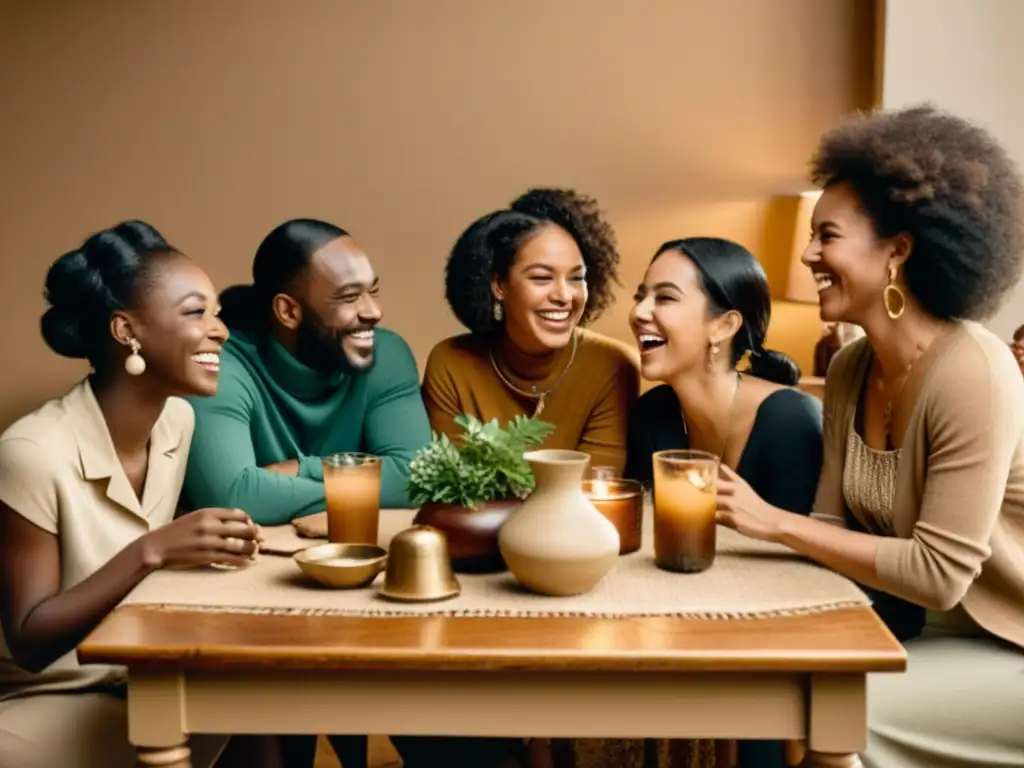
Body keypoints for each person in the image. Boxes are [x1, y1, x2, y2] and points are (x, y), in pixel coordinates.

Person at [714, 105, 1024, 767]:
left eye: (827, 235)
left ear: (897, 251)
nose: (807, 254)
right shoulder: (852, 368)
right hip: (914, 632)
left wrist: (769, 522)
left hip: (1008, 645)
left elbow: (940, 577)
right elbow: (831, 527)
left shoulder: (975, 372)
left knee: (842, 720)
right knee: (783, 691)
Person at [0, 221, 265, 768]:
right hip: (42, 702)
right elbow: (29, 642)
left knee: (270, 697)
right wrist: (154, 552)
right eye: (196, 313)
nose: (222, 332)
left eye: (216, 313)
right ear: (127, 331)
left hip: (142, 680)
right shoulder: (30, 452)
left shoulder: (177, 422)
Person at [573, 237, 821, 768]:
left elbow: (804, 582)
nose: (638, 312)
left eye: (664, 298)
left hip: (776, 653)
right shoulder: (654, 415)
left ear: (724, 326)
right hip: (677, 636)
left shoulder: (790, 421)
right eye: (641, 296)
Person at [182, 218, 432, 525]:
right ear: (289, 311)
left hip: (354, 552)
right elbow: (235, 498)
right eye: (349, 297)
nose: (373, 311)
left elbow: (418, 478)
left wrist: (304, 470)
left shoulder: (387, 356)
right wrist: (371, 485)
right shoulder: (221, 367)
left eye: (373, 291)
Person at [422, 188, 640, 474]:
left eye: (577, 278)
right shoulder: (450, 364)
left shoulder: (612, 366)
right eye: (541, 278)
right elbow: (455, 490)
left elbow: (595, 490)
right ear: (499, 284)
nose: (564, 295)